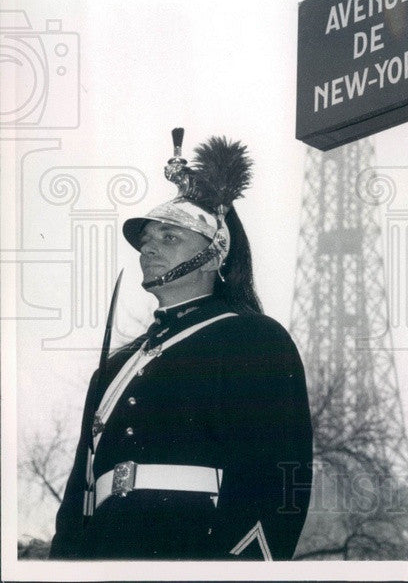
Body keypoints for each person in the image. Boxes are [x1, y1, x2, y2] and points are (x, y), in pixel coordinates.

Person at [51, 131, 313, 560]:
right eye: (146, 239)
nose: (147, 247)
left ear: (214, 255)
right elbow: (75, 501)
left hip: (192, 550)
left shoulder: (254, 340)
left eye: (169, 238)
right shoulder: (114, 368)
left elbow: (277, 480)